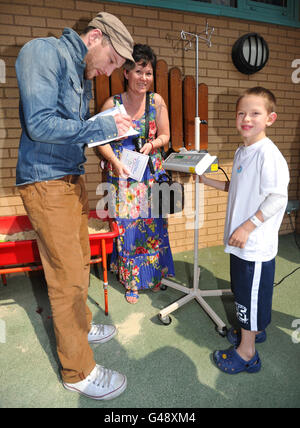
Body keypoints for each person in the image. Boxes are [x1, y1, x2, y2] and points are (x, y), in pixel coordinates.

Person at [15, 12, 135, 400]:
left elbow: (74, 129)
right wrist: (100, 127)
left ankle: (80, 324)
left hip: (69, 178)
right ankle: (78, 371)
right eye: (113, 61)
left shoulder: (81, 74)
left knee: (80, 261)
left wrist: (104, 149)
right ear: (95, 37)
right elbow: (40, 124)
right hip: (46, 182)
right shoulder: (42, 52)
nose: (110, 71)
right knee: (66, 277)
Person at [200, 87, 289, 374]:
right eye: (241, 113)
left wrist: (249, 226)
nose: (246, 118)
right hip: (240, 242)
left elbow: (278, 198)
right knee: (244, 295)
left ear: (270, 118)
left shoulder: (268, 155)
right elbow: (236, 187)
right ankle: (253, 331)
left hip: (255, 245)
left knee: (250, 296)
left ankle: (247, 352)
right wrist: (206, 181)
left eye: (255, 113)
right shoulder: (242, 151)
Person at [95, 44, 175, 304]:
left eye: (149, 73)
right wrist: (114, 161)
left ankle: (152, 276)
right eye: (139, 71)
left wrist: (152, 144)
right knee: (129, 228)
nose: (144, 78)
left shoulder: (157, 101)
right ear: (126, 72)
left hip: (150, 172)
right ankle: (132, 281)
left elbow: (166, 135)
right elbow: (100, 140)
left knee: (154, 226)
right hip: (122, 174)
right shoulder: (112, 103)